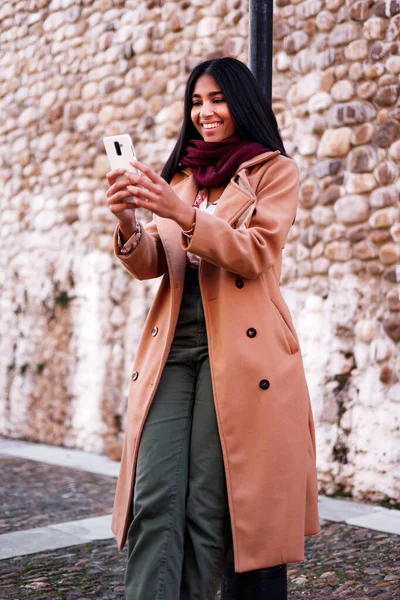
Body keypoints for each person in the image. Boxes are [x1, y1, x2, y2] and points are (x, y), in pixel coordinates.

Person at [105, 57, 320, 600]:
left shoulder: (273, 171)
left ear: (241, 103)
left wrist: (183, 213)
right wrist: (130, 224)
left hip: (240, 355)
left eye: (218, 99)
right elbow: (156, 261)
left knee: (206, 505)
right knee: (154, 496)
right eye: (197, 101)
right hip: (174, 345)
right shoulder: (182, 174)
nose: (205, 112)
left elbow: (256, 252)